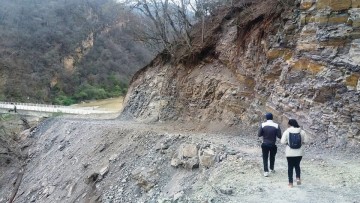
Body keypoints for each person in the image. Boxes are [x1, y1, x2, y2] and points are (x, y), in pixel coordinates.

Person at [281, 119, 308, 188]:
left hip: (290, 152)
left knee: (290, 167)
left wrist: (288, 143)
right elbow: (306, 141)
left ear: (289, 124)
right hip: (299, 152)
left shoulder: (287, 132)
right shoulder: (302, 132)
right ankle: (298, 179)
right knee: (297, 165)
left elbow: (282, 141)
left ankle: (290, 183)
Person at [258, 113, 282, 177]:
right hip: (272, 144)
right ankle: (272, 168)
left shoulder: (263, 125)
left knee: (265, 157)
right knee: (272, 157)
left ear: (266, 118)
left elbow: (259, 134)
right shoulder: (276, 125)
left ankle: (266, 171)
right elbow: (279, 136)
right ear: (272, 117)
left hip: (265, 143)